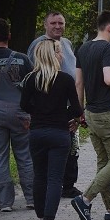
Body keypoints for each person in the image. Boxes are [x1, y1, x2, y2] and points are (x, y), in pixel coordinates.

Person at [71, 10, 110, 220]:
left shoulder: (83, 48)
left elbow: (78, 84)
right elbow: (109, 79)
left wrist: (80, 112)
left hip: (91, 113)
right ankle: (85, 199)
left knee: (104, 162)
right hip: (108, 114)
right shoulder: (108, 48)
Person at [20, 39, 83, 220]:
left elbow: (23, 105)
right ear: (54, 55)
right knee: (56, 178)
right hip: (59, 132)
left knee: (39, 175)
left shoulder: (31, 79)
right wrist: (67, 116)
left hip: (37, 132)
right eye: (59, 52)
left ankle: (39, 216)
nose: (61, 55)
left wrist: (38, 112)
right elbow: (76, 108)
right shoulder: (65, 79)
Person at [28, 11, 82, 199]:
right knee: (56, 149)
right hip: (50, 109)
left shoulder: (66, 44)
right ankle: (51, 187)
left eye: (61, 23)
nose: (58, 26)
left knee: (73, 148)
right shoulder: (39, 45)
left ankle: (68, 184)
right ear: (45, 25)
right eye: (53, 23)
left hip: (69, 105)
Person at [0, 18, 34, 213]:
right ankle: (32, 198)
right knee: (25, 155)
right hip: (20, 113)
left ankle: (5, 202)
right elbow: (33, 85)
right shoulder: (22, 58)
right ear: (9, 36)